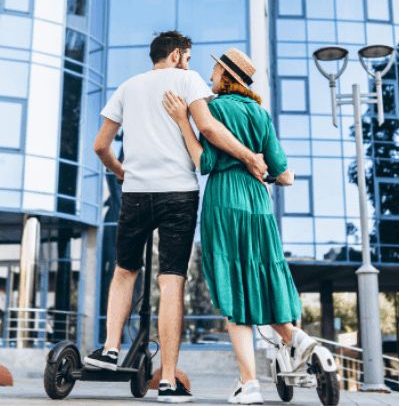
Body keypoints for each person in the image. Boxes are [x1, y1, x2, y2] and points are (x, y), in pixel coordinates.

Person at [86, 32, 268, 404]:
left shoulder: (128, 87)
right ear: (175, 54)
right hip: (178, 194)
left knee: (125, 271)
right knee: (171, 283)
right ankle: (168, 380)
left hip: (136, 193)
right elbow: (209, 129)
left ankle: (108, 349)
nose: (190, 62)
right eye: (187, 56)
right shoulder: (188, 80)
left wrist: (122, 173)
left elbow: (100, 146)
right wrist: (249, 156)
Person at [162, 48, 318, 405]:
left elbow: (203, 160)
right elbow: (285, 176)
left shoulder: (213, 108)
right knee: (263, 277)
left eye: (216, 68)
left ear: (227, 76)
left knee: (234, 288)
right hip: (259, 203)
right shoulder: (260, 115)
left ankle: (250, 385)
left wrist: (182, 122)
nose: (212, 73)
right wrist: (267, 170)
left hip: (226, 200)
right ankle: (297, 337)